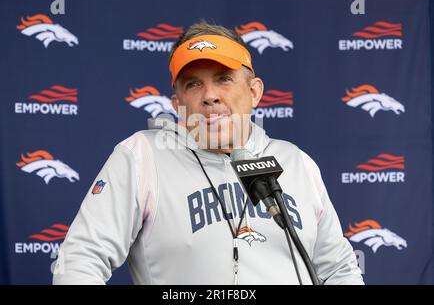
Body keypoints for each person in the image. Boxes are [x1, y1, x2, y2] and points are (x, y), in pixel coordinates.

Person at [53, 21, 364, 285]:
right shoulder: (141, 156)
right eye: (193, 84)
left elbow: (339, 269)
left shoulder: (295, 162)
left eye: (224, 79)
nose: (210, 96)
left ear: (254, 91)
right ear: (177, 104)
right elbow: (81, 259)